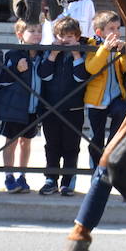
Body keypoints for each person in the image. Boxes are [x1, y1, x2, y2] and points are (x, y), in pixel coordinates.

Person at [37, 16, 88, 195]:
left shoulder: (82, 52)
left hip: (74, 109)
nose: (66, 40)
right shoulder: (51, 52)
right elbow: (44, 75)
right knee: (51, 145)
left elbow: (81, 77)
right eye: (62, 36)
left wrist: (76, 54)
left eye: (70, 36)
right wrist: (52, 55)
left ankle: (68, 180)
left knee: (71, 146)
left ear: (77, 37)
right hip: (50, 107)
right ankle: (51, 178)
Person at [0, 19, 41, 194]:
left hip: (34, 107)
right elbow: (3, 79)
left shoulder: (42, 53)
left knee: (26, 142)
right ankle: (9, 175)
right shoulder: (14, 54)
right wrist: (16, 69)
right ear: (20, 34)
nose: (37, 34)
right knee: (11, 142)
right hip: (15, 106)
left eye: (39, 31)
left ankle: (23, 175)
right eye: (32, 31)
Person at [82, 11, 126, 169]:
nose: (116, 32)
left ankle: (109, 152)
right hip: (97, 100)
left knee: (122, 112)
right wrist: (105, 48)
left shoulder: (117, 46)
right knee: (96, 137)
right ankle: (96, 168)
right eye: (111, 28)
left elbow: (124, 69)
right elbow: (92, 68)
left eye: (118, 28)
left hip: (115, 95)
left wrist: (122, 54)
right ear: (99, 32)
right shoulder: (92, 44)